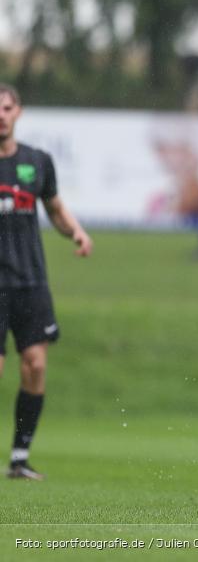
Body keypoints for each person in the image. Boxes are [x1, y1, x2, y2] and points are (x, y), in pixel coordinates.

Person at [0, 83, 93, 480]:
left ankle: (19, 458)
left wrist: (76, 231)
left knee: (35, 365)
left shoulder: (37, 161)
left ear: (18, 112)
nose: (1, 115)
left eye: (7, 108)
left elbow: (54, 208)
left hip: (30, 281)